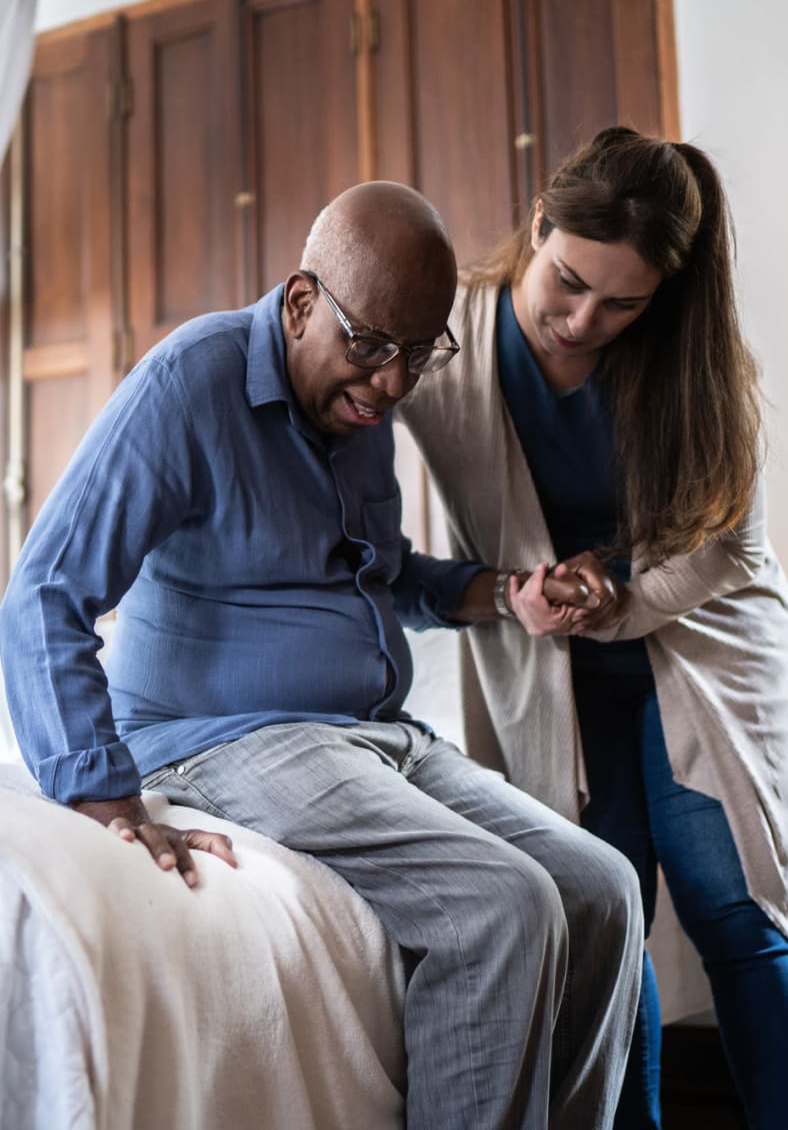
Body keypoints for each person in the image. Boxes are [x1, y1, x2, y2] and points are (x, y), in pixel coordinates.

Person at [0, 181, 643, 1130]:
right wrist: (105, 795)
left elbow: (379, 576)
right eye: (372, 347)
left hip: (373, 732)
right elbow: (43, 592)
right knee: (501, 910)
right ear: (302, 302)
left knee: (602, 889)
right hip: (224, 737)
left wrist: (502, 592)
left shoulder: (357, 414)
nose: (391, 383)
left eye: (418, 355)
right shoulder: (190, 386)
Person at [398, 126, 788, 1130]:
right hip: (550, 663)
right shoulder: (444, 338)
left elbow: (730, 554)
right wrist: (506, 590)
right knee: (599, 906)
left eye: (621, 302)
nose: (581, 320)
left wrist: (616, 600)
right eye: (567, 281)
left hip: (695, 642)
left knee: (730, 904)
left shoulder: (692, 363)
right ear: (537, 224)